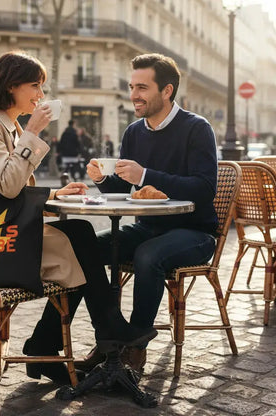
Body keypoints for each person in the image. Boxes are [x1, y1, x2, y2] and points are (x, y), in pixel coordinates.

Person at [0, 51, 157, 385]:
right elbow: (7, 186)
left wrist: (54, 195)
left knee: (79, 242)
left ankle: (54, 345)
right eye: (35, 85)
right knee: (79, 244)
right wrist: (32, 134)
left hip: (0, 233)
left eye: (42, 86)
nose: (40, 94)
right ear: (11, 86)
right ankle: (91, 334)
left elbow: (8, 188)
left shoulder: (9, 127)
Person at [83, 53, 217, 373]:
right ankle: (109, 338)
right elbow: (123, 186)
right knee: (83, 247)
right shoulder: (133, 132)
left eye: (142, 87)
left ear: (167, 90)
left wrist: (145, 175)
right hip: (148, 227)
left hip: (195, 232)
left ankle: (134, 346)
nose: (134, 95)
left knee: (147, 255)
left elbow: (203, 188)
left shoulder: (197, 128)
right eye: (131, 87)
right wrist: (102, 179)